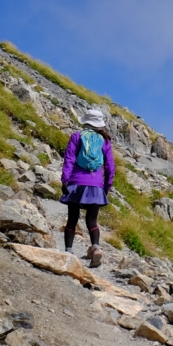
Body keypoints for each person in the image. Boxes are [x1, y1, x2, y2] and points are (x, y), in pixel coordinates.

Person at [60, 108, 115, 267]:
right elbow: (110, 167)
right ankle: (96, 248)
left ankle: (68, 252)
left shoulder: (77, 136)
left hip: (76, 183)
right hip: (96, 185)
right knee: (92, 220)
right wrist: (106, 188)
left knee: (72, 218)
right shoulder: (105, 141)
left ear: (86, 122)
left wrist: (65, 180)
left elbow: (69, 159)